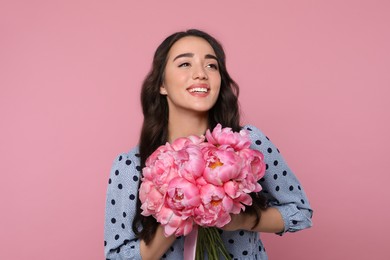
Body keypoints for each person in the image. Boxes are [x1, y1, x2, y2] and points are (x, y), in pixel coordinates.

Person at [104, 29, 313, 260]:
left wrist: (239, 220)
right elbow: (117, 256)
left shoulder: (247, 144)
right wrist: (178, 214)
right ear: (162, 85)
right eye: (184, 64)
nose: (201, 74)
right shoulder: (131, 165)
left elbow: (300, 213)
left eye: (211, 66)